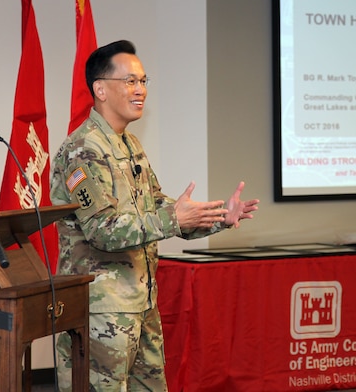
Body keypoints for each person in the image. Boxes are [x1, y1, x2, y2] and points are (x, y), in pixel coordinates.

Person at [50, 39, 259, 391]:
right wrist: (173, 219)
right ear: (100, 89)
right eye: (130, 81)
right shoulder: (82, 150)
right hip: (101, 309)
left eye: (144, 81)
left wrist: (218, 218)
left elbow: (160, 209)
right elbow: (102, 230)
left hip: (141, 302)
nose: (140, 90)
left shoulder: (130, 145)